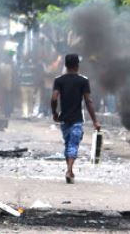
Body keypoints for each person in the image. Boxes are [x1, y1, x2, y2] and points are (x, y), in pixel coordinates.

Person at [51, 54, 100, 184]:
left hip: (64, 118)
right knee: (73, 144)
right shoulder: (83, 81)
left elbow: (54, 98)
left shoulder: (59, 80)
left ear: (65, 66)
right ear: (77, 66)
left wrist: (54, 113)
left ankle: (70, 170)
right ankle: (69, 170)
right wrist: (95, 120)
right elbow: (88, 101)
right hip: (77, 118)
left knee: (68, 144)